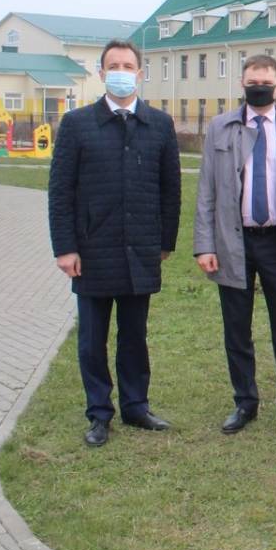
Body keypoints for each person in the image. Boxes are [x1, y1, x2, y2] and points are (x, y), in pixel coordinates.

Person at [48, 39, 181, 447]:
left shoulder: (159, 124)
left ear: (140, 73)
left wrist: (164, 242)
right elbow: (60, 191)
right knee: (92, 338)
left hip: (139, 249)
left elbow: (170, 189)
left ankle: (136, 406)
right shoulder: (77, 125)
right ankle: (99, 413)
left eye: (129, 64)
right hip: (92, 251)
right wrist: (65, 247)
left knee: (134, 335)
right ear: (102, 74)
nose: (122, 71)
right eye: (114, 65)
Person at [194, 55, 276, 437]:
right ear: (242, 85)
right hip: (234, 241)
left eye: (265, 81)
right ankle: (244, 403)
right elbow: (206, 190)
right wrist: (204, 245)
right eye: (251, 82)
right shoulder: (220, 127)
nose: (258, 87)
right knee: (236, 329)